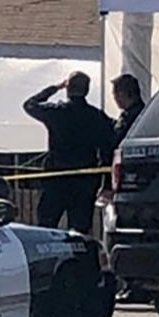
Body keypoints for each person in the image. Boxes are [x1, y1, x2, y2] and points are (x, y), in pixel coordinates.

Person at [22, 71, 115, 235]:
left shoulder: (58, 112)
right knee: (80, 231)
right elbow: (108, 149)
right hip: (84, 181)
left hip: (56, 178)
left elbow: (30, 105)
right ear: (87, 90)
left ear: (67, 88)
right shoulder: (95, 116)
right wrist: (106, 182)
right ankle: (80, 259)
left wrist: (54, 88)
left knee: (46, 227)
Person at [108, 73, 150, 304]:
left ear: (124, 94)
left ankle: (135, 286)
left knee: (126, 234)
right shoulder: (146, 115)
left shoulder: (132, 119)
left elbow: (115, 145)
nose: (115, 99)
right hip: (137, 185)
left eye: (116, 94)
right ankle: (134, 285)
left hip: (130, 186)